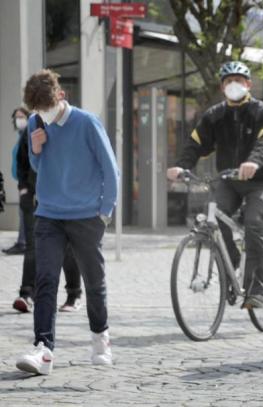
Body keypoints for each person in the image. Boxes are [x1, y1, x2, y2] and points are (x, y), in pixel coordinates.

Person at [15, 69, 119, 375]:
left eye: (46, 109)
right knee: (46, 280)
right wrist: (35, 148)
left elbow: (110, 167)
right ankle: (43, 349)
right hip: (48, 214)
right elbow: (38, 164)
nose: (42, 115)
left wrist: (105, 212)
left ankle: (101, 339)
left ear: (61, 96)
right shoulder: (35, 122)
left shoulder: (86, 122)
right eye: (37, 111)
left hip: (87, 216)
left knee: (93, 280)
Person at [167, 61, 263, 309]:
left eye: (238, 80)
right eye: (228, 81)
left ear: (248, 84)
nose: (233, 85)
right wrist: (182, 166)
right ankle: (232, 262)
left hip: (260, 181)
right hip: (229, 181)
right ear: (222, 87)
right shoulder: (214, 115)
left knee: (253, 224)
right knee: (214, 218)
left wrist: (253, 162)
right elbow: (195, 144)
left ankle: (257, 288)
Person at [11, 105, 83, 313]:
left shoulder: (72, 126)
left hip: (65, 200)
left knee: (68, 248)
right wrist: (24, 189)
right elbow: (22, 161)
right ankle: (26, 294)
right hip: (35, 198)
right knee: (33, 246)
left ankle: (73, 294)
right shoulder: (32, 126)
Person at [3, 108, 31, 255]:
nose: (19, 120)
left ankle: (23, 243)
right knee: (23, 213)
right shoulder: (21, 135)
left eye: (22, 117)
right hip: (21, 181)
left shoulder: (28, 136)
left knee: (24, 212)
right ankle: (23, 242)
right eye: (16, 118)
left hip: (26, 183)